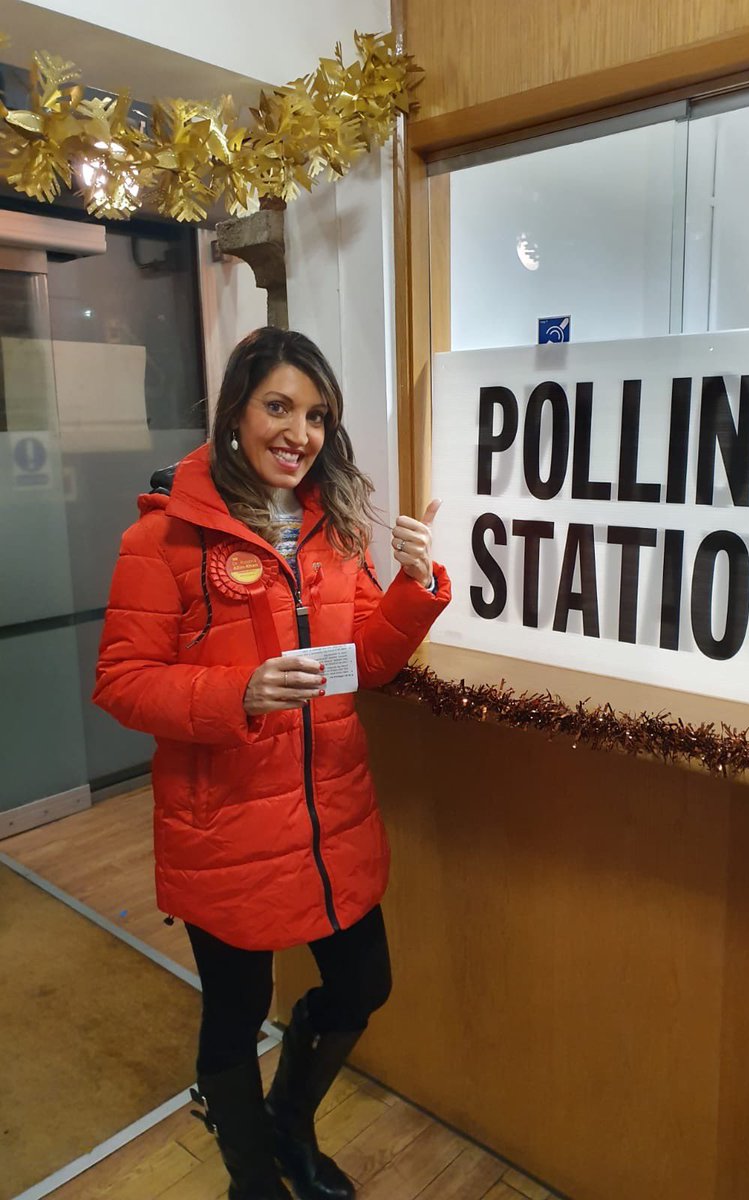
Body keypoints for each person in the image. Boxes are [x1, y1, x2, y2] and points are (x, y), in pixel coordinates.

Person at [94, 327, 451, 1200]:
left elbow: (366, 659)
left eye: (317, 415)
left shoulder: (332, 531)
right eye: (279, 407)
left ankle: (287, 1122)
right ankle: (251, 1177)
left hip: (331, 813)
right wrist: (236, 695)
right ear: (235, 414)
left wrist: (415, 582)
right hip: (224, 820)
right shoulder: (163, 541)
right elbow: (123, 683)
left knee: (365, 982)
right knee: (235, 1013)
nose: (299, 433)